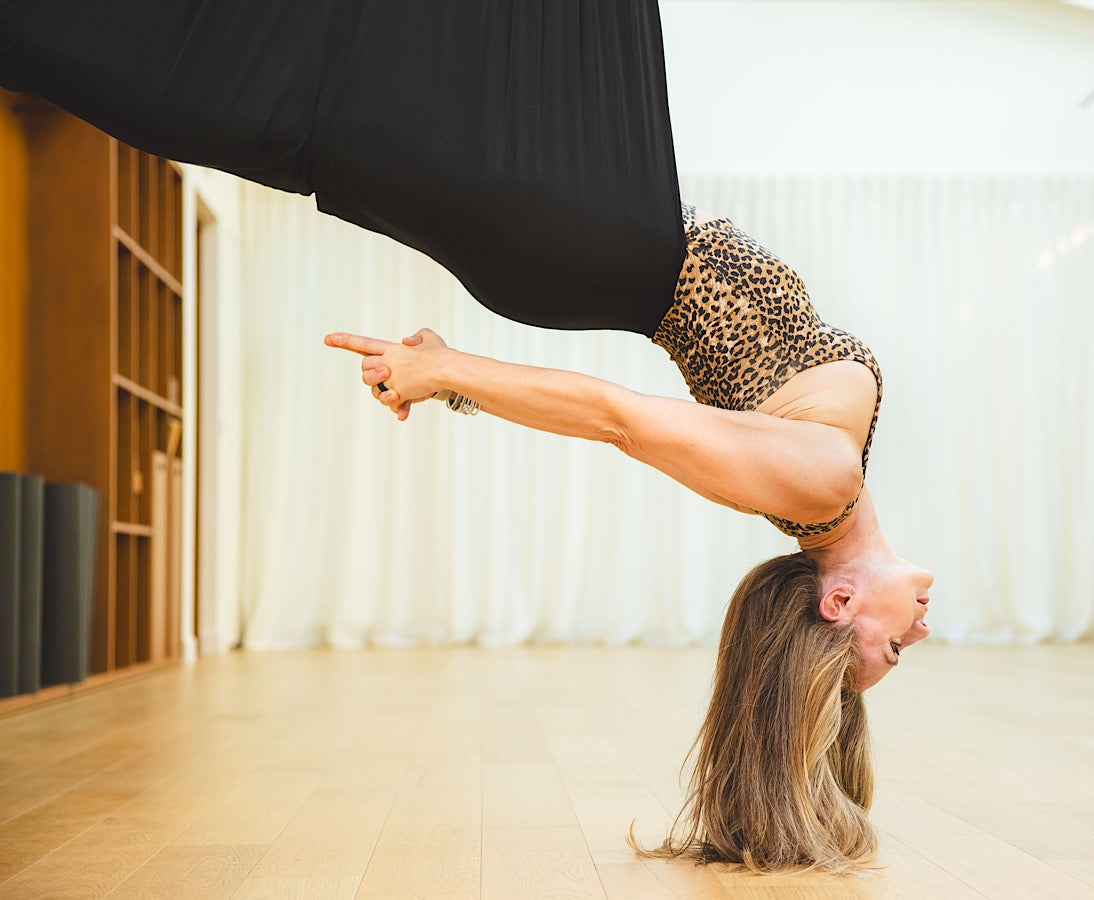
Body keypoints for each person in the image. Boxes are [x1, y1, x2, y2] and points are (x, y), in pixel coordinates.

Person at [3, 0, 933, 873]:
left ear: (839, 602)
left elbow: (617, 419)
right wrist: (453, 376)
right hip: (591, 218)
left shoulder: (818, 485)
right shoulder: (819, 492)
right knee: (342, 74)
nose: (918, 632)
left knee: (336, 77)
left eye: (895, 648)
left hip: (581, 222)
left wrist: (450, 373)